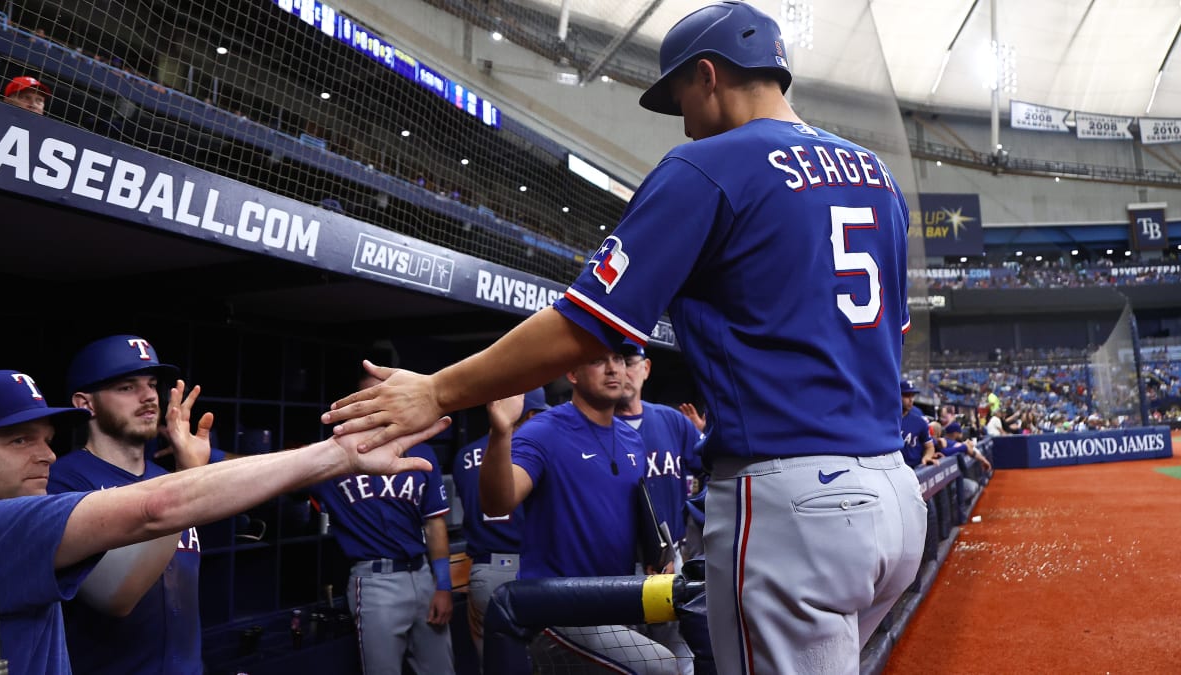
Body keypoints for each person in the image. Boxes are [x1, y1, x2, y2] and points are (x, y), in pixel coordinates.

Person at [324, 3, 927, 672]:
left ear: (708, 75)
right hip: (895, 499)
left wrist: (438, 389)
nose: (684, 121)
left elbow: (588, 324)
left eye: (679, 99)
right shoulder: (878, 177)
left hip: (796, 504)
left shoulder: (711, 165)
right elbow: (889, 338)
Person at [0, 369, 442, 675]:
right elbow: (153, 516)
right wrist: (339, 454)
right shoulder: (14, 515)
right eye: (19, 440)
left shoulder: (155, 478)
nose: (44, 454)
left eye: (45, 439)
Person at [479, 353, 685, 674]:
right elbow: (497, 503)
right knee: (660, 666)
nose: (613, 368)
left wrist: (655, 554)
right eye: (597, 360)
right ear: (572, 373)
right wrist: (501, 432)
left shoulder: (632, 438)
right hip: (557, 604)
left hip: (614, 598)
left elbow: (626, 511)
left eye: (618, 359)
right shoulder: (543, 431)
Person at [47, 335, 214, 673]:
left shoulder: (170, 476)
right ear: (85, 404)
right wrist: (191, 477)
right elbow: (116, 598)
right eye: (126, 387)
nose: (149, 396)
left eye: (152, 384)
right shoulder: (62, 482)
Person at [309, 375, 455, 675]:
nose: (378, 404)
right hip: (375, 582)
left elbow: (435, 523)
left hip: (422, 575)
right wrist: (213, 459)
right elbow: (274, 471)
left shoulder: (421, 451)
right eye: (370, 397)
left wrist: (443, 586)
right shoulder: (334, 456)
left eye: (386, 395)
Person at [452, 388, 549, 662]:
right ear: (529, 414)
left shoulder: (464, 455)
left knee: (493, 663)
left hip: (486, 570)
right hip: (532, 570)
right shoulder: (534, 454)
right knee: (540, 661)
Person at [615, 341, 701, 555]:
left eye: (629, 362)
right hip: (621, 558)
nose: (622, 371)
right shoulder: (595, 428)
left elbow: (714, 471)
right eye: (617, 362)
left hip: (675, 554)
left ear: (646, 369)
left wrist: (696, 519)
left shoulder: (673, 421)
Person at [900, 380, 938, 469]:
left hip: (914, 468)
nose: (911, 399)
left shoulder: (919, 421)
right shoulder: (886, 420)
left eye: (912, 396)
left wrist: (927, 457)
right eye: (906, 395)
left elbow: (929, 447)